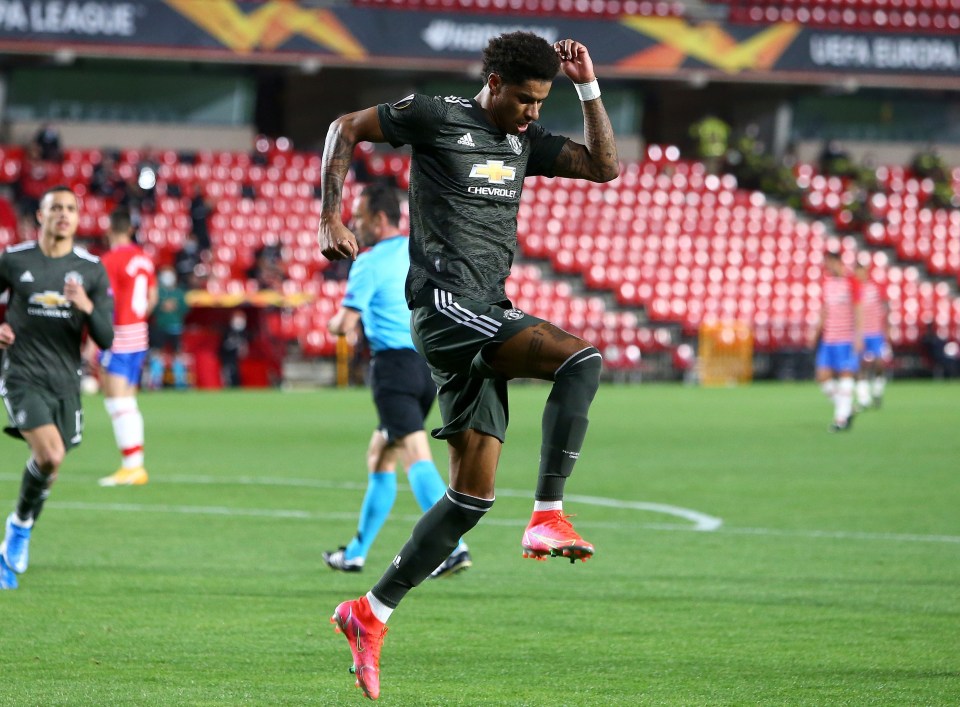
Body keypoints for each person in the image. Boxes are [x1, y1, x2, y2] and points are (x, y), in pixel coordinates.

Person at [317, 32, 619, 700]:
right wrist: (329, 217)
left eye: (542, 101)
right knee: (583, 358)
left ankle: (369, 611)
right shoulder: (435, 116)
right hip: (447, 311)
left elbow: (604, 166)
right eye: (525, 98)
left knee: (469, 499)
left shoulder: (522, 143)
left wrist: (587, 88)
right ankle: (548, 510)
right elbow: (345, 127)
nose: (533, 113)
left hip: (482, 315)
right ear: (493, 81)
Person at [322, 182, 471, 579]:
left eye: (360, 217)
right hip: (428, 366)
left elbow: (346, 324)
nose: (354, 223)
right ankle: (354, 553)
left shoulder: (367, 263)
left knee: (414, 455)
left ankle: (454, 546)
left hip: (393, 371)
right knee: (381, 454)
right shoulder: (419, 252)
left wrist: (334, 323)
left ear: (380, 218)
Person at [0, 185, 114, 590]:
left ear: (78, 219)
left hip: (66, 381)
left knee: (53, 464)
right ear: (41, 217)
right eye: (55, 208)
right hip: (21, 373)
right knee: (49, 454)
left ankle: (21, 525)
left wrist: (86, 307)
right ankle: (18, 529)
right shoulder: (13, 261)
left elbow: (107, 337)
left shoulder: (91, 270)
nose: (63, 214)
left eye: (70, 208)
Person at [97, 208, 158, 487]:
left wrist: (93, 339)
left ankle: (132, 466)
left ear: (110, 230)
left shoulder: (110, 260)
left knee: (116, 401)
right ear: (131, 230)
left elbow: (104, 302)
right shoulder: (144, 259)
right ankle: (135, 463)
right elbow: (152, 297)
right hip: (139, 334)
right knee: (128, 401)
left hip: (119, 334)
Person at [809, 250, 862, 432]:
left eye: (828, 262)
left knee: (845, 375)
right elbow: (825, 310)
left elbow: (858, 309)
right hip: (829, 338)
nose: (826, 266)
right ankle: (846, 408)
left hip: (846, 338)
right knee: (822, 377)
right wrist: (816, 332)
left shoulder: (851, 281)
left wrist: (858, 335)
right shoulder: (827, 283)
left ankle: (840, 419)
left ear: (836, 261)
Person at [854, 259, 888, 410]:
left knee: (879, 363)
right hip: (860, 333)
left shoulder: (875, 288)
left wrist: (887, 329)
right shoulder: (853, 290)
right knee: (860, 365)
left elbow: (886, 309)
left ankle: (877, 389)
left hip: (875, 332)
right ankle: (863, 398)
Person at [148, 265, 190, 390]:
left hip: (176, 328)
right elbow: (152, 307)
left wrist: (175, 306)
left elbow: (185, 308)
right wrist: (162, 306)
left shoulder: (179, 292)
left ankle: (180, 381)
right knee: (156, 353)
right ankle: (155, 381)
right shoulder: (157, 292)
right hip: (160, 327)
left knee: (178, 354)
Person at [219, 309, 249, 387]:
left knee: (237, 378)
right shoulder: (227, 331)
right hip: (227, 359)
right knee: (229, 377)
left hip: (239, 361)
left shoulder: (244, 333)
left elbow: (245, 349)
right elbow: (224, 347)